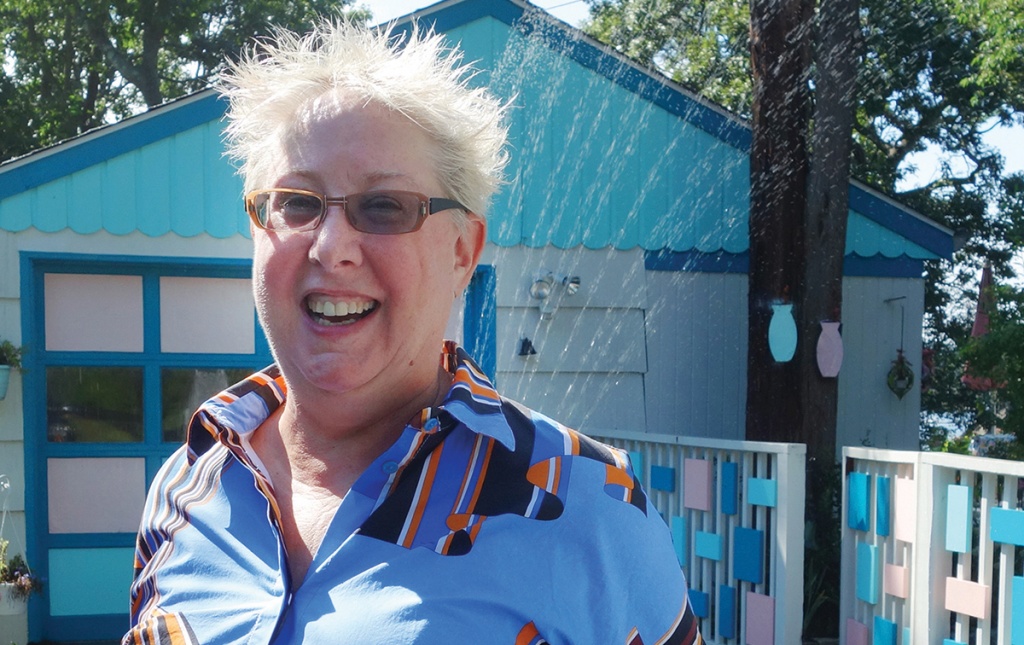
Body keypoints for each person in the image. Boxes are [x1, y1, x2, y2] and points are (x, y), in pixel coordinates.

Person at [123, 21, 702, 645]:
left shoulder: (593, 506)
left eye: (385, 207)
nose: (332, 246)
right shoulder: (187, 486)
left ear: (462, 251)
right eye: (297, 201)